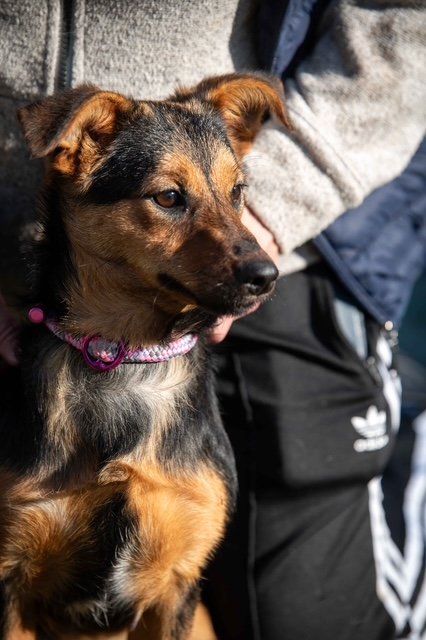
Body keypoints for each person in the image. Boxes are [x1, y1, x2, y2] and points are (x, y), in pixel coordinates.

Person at [0, 1, 425, 638]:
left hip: (300, 270)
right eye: (171, 200)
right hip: (26, 303)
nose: (231, 240)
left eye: (233, 193)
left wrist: (273, 210)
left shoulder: (242, 229)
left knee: (303, 615)